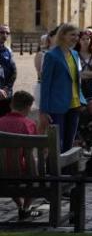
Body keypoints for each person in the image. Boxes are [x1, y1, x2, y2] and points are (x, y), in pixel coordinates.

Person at [39, 23, 85, 153]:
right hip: (57, 106)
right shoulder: (51, 56)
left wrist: (82, 100)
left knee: (69, 144)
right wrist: (43, 110)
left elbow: (77, 80)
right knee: (57, 144)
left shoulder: (75, 54)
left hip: (75, 105)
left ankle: (67, 172)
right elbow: (45, 84)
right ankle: (54, 172)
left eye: (77, 35)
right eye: (72, 35)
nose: (76, 38)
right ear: (63, 35)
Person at [0, 91, 41, 219]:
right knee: (31, 168)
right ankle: (25, 208)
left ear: (11, 104)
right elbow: (32, 149)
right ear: (28, 107)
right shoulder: (29, 124)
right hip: (22, 174)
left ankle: (20, 205)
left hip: (1, 171)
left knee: (9, 166)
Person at [75, 29, 92, 103]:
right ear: (79, 40)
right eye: (83, 39)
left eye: (88, 39)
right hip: (78, 88)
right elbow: (75, 74)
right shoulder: (74, 54)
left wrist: (82, 74)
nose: (86, 41)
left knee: (91, 110)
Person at [0, 24, 15, 117]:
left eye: (7, 33)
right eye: (2, 32)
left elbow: (13, 72)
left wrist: (7, 88)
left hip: (6, 94)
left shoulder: (8, 51)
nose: (4, 35)